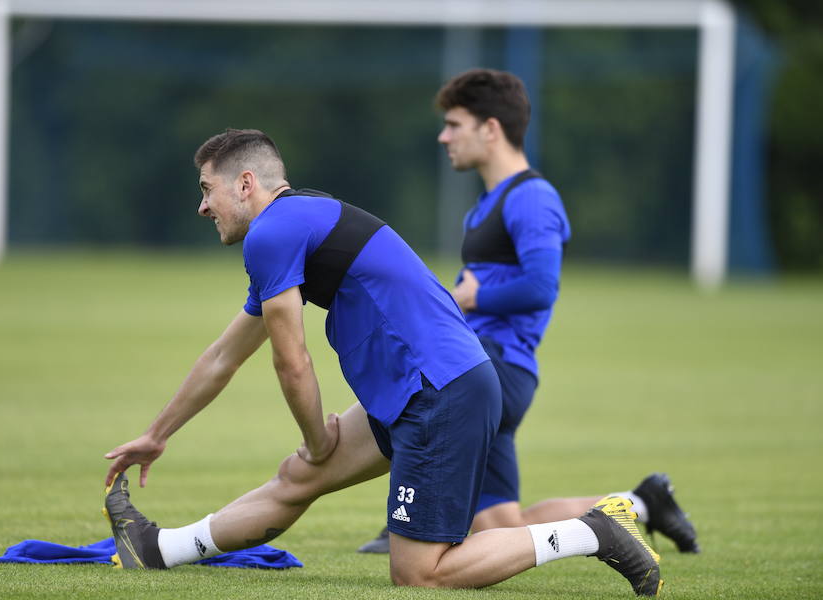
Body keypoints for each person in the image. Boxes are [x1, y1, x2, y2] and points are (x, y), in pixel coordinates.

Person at [102, 128, 663, 595]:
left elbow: (291, 363)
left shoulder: (272, 233)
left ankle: (592, 531)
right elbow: (225, 355)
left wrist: (318, 439)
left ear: (246, 184)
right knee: (299, 476)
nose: (202, 205)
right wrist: (157, 434)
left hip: (441, 391)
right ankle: (157, 549)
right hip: (426, 387)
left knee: (420, 574)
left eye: (207, 189)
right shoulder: (296, 225)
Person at [357, 69, 699, 554]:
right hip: (487, 365)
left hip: (498, 366)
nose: (444, 136)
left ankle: (403, 523)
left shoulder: (532, 198)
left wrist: (472, 299)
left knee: (413, 391)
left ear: (490, 128)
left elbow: (541, 287)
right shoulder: (485, 204)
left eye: (454, 124)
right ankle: (643, 503)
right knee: (504, 525)